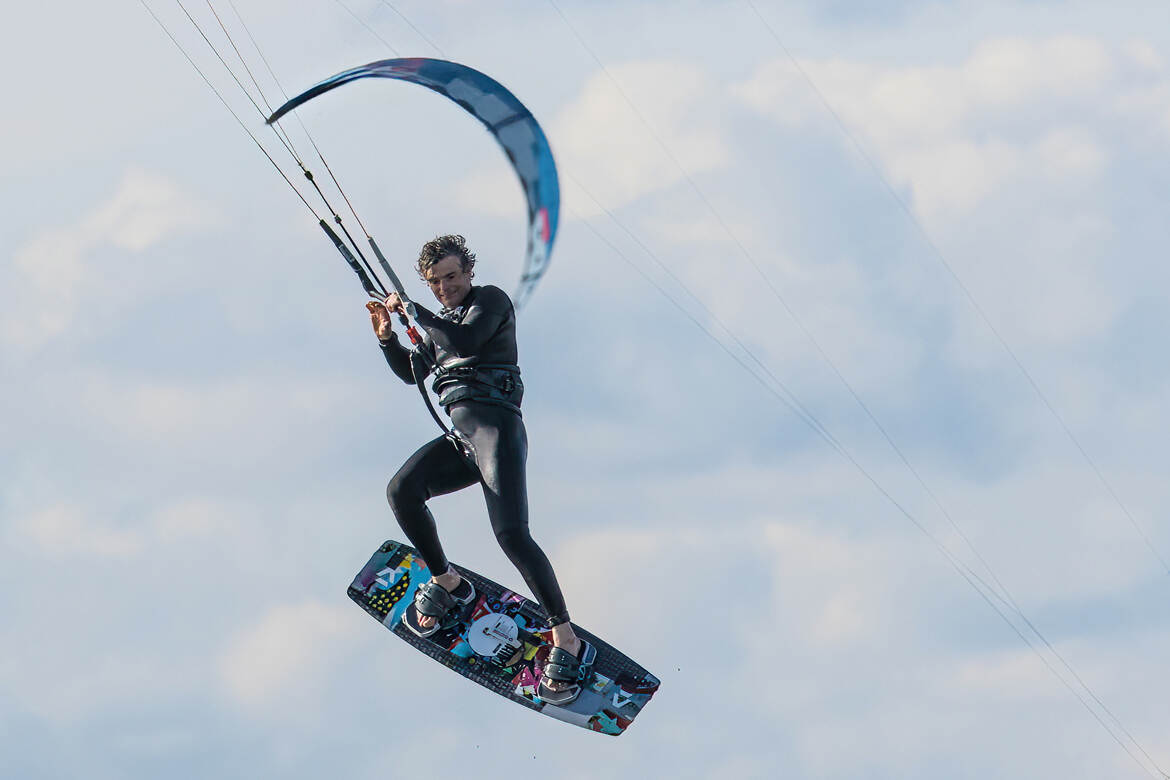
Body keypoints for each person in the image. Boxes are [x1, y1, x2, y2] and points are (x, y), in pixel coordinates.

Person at [366, 234, 594, 705]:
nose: (445, 287)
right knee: (401, 491)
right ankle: (448, 581)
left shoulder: (489, 302)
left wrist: (413, 309)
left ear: (468, 272)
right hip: (462, 441)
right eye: (435, 282)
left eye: (451, 277)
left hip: (497, 434)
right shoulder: (437, 325)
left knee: (511, 534)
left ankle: (566, 637)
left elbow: (465, 339)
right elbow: (413, 373)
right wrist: (389, 336)